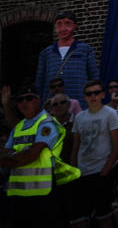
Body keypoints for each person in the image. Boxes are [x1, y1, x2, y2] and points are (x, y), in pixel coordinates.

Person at [1, 84, 77, 227]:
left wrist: (13, 157)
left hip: (43, 195)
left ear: (38, 100)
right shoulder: (19, 127)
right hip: (20, 195)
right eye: (20, 100)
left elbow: (31, 156)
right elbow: (5, 152)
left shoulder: (47, 123)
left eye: (29, 98)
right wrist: (16, 156)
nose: (24, 102)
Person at [70, 79, 118, 228]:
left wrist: (106, 171)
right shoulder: (79, 117)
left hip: (101, 171)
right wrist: (73, 171)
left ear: (103, 94)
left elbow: (117, 146)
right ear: (85, 97)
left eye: (96, 92)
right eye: (89, 93)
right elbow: (76, 146)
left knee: (104, 216)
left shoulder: (110, 114)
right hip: (81, 173)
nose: (93, 96)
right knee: (79, 218)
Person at [35, 11, 99, 107]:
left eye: (67, 23)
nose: (63, 28)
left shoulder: (85, 49)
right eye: (59, 24)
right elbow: (40, 81)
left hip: (80, 103)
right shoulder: (46, 53)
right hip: (52, 105)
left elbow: (94, 77)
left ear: (75, 26)